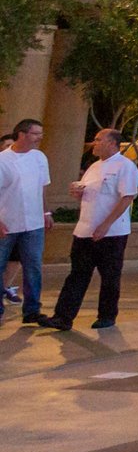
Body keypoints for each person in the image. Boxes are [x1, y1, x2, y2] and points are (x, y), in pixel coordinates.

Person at [43, 128, 138, 331]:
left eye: (98, 139)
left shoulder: (125, 166)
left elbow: (127, 197)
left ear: (112, 143)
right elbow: (90, 192)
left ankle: (107, 315)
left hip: (111, 233)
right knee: (78, 274)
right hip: (85, 230)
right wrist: (77, 192)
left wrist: (106, 224)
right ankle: (63, 316)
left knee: (110, 276)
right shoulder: (94, 167)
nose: (94, 143)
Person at [2, 118, 50, 324]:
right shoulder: (3, 160)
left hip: (34, 223)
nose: (39, 138)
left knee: (33, 266)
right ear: (22, 134)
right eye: (35, 133)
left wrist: (46, 212)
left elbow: (42, 186)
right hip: (7, 222)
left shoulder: (39, 157)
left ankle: (31, 310)